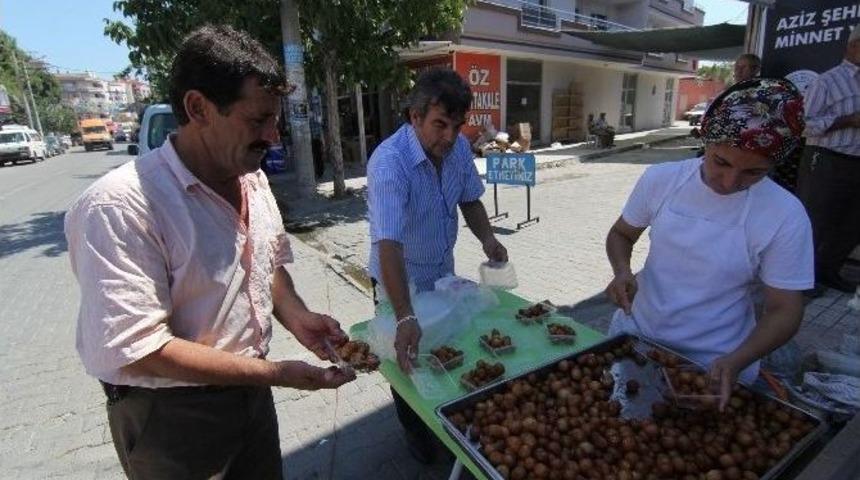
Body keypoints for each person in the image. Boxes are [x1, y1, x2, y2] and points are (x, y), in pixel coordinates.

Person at [64, 26, 355, 480]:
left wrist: (298, 318)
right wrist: (278, 373)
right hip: (173, 417)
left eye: (274, 120)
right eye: (257, 121)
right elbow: (139, 349)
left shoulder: (251, 177)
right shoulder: (119, 206)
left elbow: (266, 265)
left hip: (251, 394)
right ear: (198, 108)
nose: (274, 137)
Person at [604, 78, 813, 410]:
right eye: (721, 162)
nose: (730, 182)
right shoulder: (661, 180)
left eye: (754, 172)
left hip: (715, 364)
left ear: (775, 164)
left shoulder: (785, 215)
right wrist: (622, 272)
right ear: (707, 138)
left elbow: (785, 310)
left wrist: (737, 360)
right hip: (637, 340)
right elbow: (621, 235)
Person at [366, 68, 508, 462]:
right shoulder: (389, 163)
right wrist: (404, 315)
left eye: (457, 125)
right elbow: (388, 245)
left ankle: (447, 420)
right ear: (415, 117)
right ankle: (415, 433)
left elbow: (470, 199)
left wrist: (488, 239)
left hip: (442, 277)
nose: (449, 136)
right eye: (439, 124)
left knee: (445, 349)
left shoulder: (458, 149)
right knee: (406, 359)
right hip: (400, 285)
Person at [796, 25, 860, 293]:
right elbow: (802, 125)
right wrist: (847, 120)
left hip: (857, 163)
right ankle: (799, 279)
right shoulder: (827, 81)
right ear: (853, 45)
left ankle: (827, 271)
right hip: (826, 160)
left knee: (852, 223)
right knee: (815, 221)